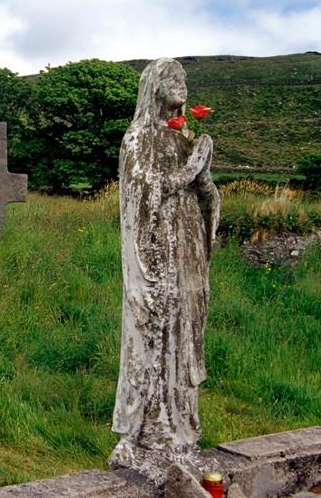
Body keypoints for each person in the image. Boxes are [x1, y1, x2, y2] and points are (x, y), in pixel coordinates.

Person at [110, 58, 220, 482]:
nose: (183, 86)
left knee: (186, 336)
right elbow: (144, 194)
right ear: (154, 86)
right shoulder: (138, 139)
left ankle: (181, 432)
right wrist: (190, 170)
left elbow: (204, 198)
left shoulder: (184, 138)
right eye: (175, 78)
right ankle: (148, 433)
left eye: (186, 78)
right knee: (154, 337)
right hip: (156, 258)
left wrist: (204, 176)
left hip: (188, 253)